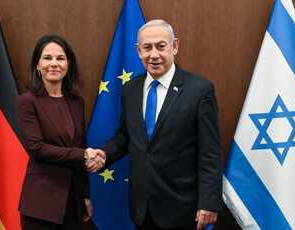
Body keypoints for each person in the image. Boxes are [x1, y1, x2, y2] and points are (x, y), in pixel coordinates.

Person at [85, 19, 223, 230]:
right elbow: (126, 136)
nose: (154, 55)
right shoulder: (130, 89)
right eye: (147, 48)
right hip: (142, 207)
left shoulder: (200, 89)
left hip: (183, 208)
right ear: (138, 51)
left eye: (161, 46)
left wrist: (209, 202)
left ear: (174, 46)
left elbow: (210, 152)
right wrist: (105, 154)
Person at [16, 35, 103, 230]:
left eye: (60, 58)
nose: (54, 64)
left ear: (68, 64)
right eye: (47, 58)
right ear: (37, 65)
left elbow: (81, 145)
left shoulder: (76, 102)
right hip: (41, 203)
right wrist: (83, 154)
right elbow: (37, 149)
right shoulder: (27, 102)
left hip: (73, 200)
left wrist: (85, 196)